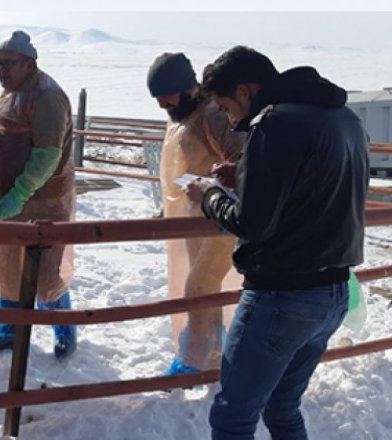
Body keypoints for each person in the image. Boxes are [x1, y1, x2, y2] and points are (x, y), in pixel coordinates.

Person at [186, 45, 368, 439]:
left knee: (233, 417)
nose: (229, 119)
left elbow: (252, 223)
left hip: (282, 294)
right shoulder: (343, 117)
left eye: (224, 105)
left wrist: (208, 196)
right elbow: (317, 185)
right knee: (282, 408)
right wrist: (250, 174)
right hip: (333, 290)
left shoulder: (274, 124)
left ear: (246, 91)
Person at [0, 30, 77, 360]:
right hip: (9, 200)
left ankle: (64, 332)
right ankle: (5, 332)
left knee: (45, 273)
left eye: (9, 63)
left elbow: (47, 154)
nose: (2, 70)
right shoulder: (11, 93)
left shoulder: (46, 96)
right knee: (6, 267)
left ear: (29, 63)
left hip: (42, 201)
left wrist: (19, 193)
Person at [146, 52, 245, 375]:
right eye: (157, 98)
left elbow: (240, 162)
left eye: (166, 96)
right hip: (192, 217)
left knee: (200, 285)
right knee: (202, 286)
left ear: (188, 87)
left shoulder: (213, 115)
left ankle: (194, 360)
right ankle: (214, 355)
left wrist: (211, 185)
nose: (162, 104)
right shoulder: (181, 115)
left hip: (219, 218)